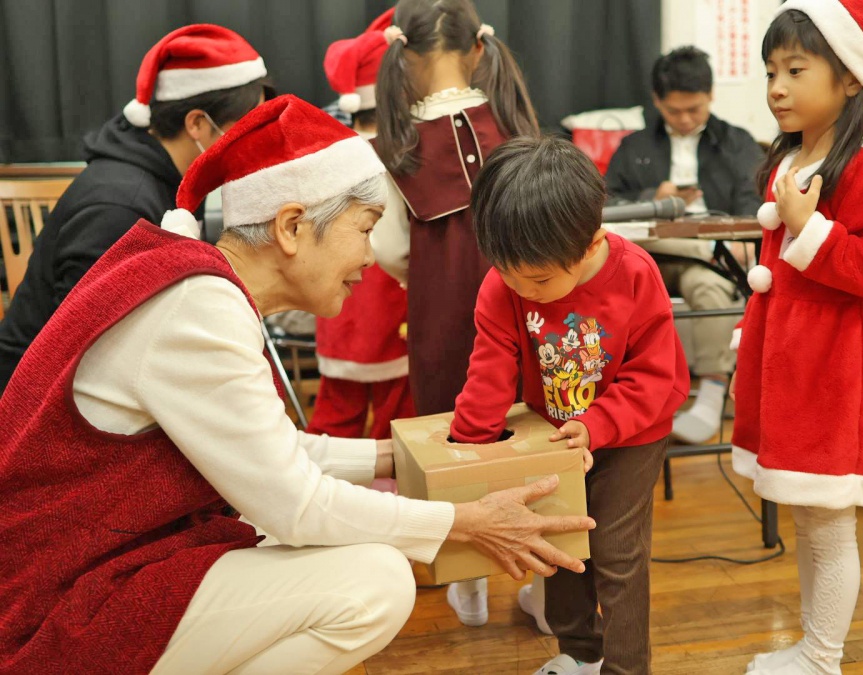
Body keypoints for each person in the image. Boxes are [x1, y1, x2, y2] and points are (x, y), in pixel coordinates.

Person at [0, 95, 595, 675]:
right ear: (291, 227)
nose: (370, 258)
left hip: (94, 564)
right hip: (54, 603)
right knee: (376, 581)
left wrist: (397, 455)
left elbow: (268, 457)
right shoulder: (198, 311)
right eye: (365, 229)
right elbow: (295, 505)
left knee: (332, 544)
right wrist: (463, 521)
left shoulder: (197, 287)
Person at [449, 135, 690, 675]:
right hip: (554, 436)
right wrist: (463, 453)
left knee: (617, 553)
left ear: (590, 243)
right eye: (506, 272)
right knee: (558, 543)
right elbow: (488, 375)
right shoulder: (504, 285)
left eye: (537, 279)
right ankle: (578, 654)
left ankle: (626, 668)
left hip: (632, 435)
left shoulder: (635, 273)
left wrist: (597, 424)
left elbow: (656, 376)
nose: (521, 289)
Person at [731, 1, 863, 673]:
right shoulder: (799, 152)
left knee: (828, 520)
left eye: (796, 70)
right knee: (808, 514)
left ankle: (823, 657)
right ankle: (811, 647)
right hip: (797, 367)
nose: (777, 88)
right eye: (771, 72)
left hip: (835, 373)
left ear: (851, 77)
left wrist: (811, 229)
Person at [368, 0, 540, 626]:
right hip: (529, 305)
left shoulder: (393, 147)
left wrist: (428, 276)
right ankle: (546, 592)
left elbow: (388, 248)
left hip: (441, 314)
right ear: (478, 50)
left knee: (454, 435)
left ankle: (468, 586)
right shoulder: (516, 122)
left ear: (404, 56)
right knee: (534, 431)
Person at [0, 24, 271, 396]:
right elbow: (81, 352)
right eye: (246, 127)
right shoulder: (119, 206)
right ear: (197, 123)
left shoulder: (164, 181)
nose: (253, 142)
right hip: (33, 400)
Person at [605, 46, 764, 445]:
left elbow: (753, 204)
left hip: (706, 263)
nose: (686, 119)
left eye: (695, 109)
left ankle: (711, 392)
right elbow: (606, 204)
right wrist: (652, 198)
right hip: (646, 259)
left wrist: (740, 247)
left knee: (709, 286)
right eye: (675, 111)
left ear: (710, 96)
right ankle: (625, 396)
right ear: (657, 101)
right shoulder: (634, 147)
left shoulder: (737, 143)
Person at [304, 8, 416, 441]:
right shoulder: (402, 157)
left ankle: (316, 479)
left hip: (336, 304)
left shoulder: (328, 151)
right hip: (390, 301)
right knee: (398, 421)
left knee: (336, 415)